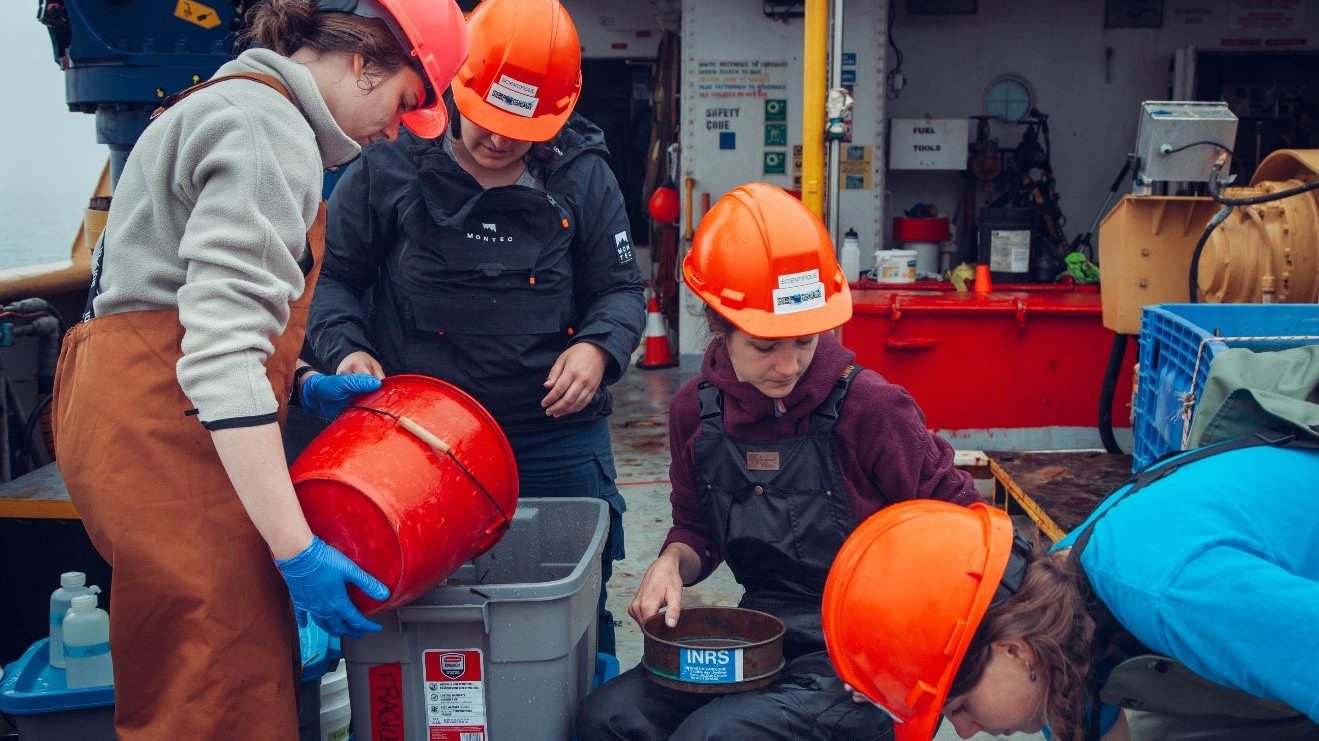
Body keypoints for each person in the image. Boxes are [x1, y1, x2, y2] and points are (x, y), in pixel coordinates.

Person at [49, 1, 467, 739]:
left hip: (135, 419)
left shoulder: (230, 99)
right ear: (366, 56)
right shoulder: (268, 129)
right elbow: (220, 353)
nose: (396, 128)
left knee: (178, 666)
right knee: (219, 692)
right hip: (169, 440)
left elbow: (186, 302)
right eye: (404, 102)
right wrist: (296, 549)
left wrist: (301, 379)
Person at [574, 183, 980, 741]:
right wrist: (670, 563)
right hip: (760, 634)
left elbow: (962, 521)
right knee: (607, 721)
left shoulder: (871, 407)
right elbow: (696, 528)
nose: (788, 366)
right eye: (765, 347)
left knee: (715, 736)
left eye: (805, 342)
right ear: (720, 328)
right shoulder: (696, 411)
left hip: (862, 660)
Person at [308, 0, 645, 656]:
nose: (498, 139)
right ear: (457, 85)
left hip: (554, 439)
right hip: (419, 440)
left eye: (520, 129)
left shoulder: (584, 174)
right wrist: (345, 351)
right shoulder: (388, 163)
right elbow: (333, 282)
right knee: (424, 598)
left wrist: (598, 349)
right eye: (487, 120)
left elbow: (618, 292)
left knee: (575, 605)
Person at [824, 431, 1319, 741]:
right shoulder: (1056, 622)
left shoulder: (1176, 594)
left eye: (960, 708)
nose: (968, 731)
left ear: (1013, 650)